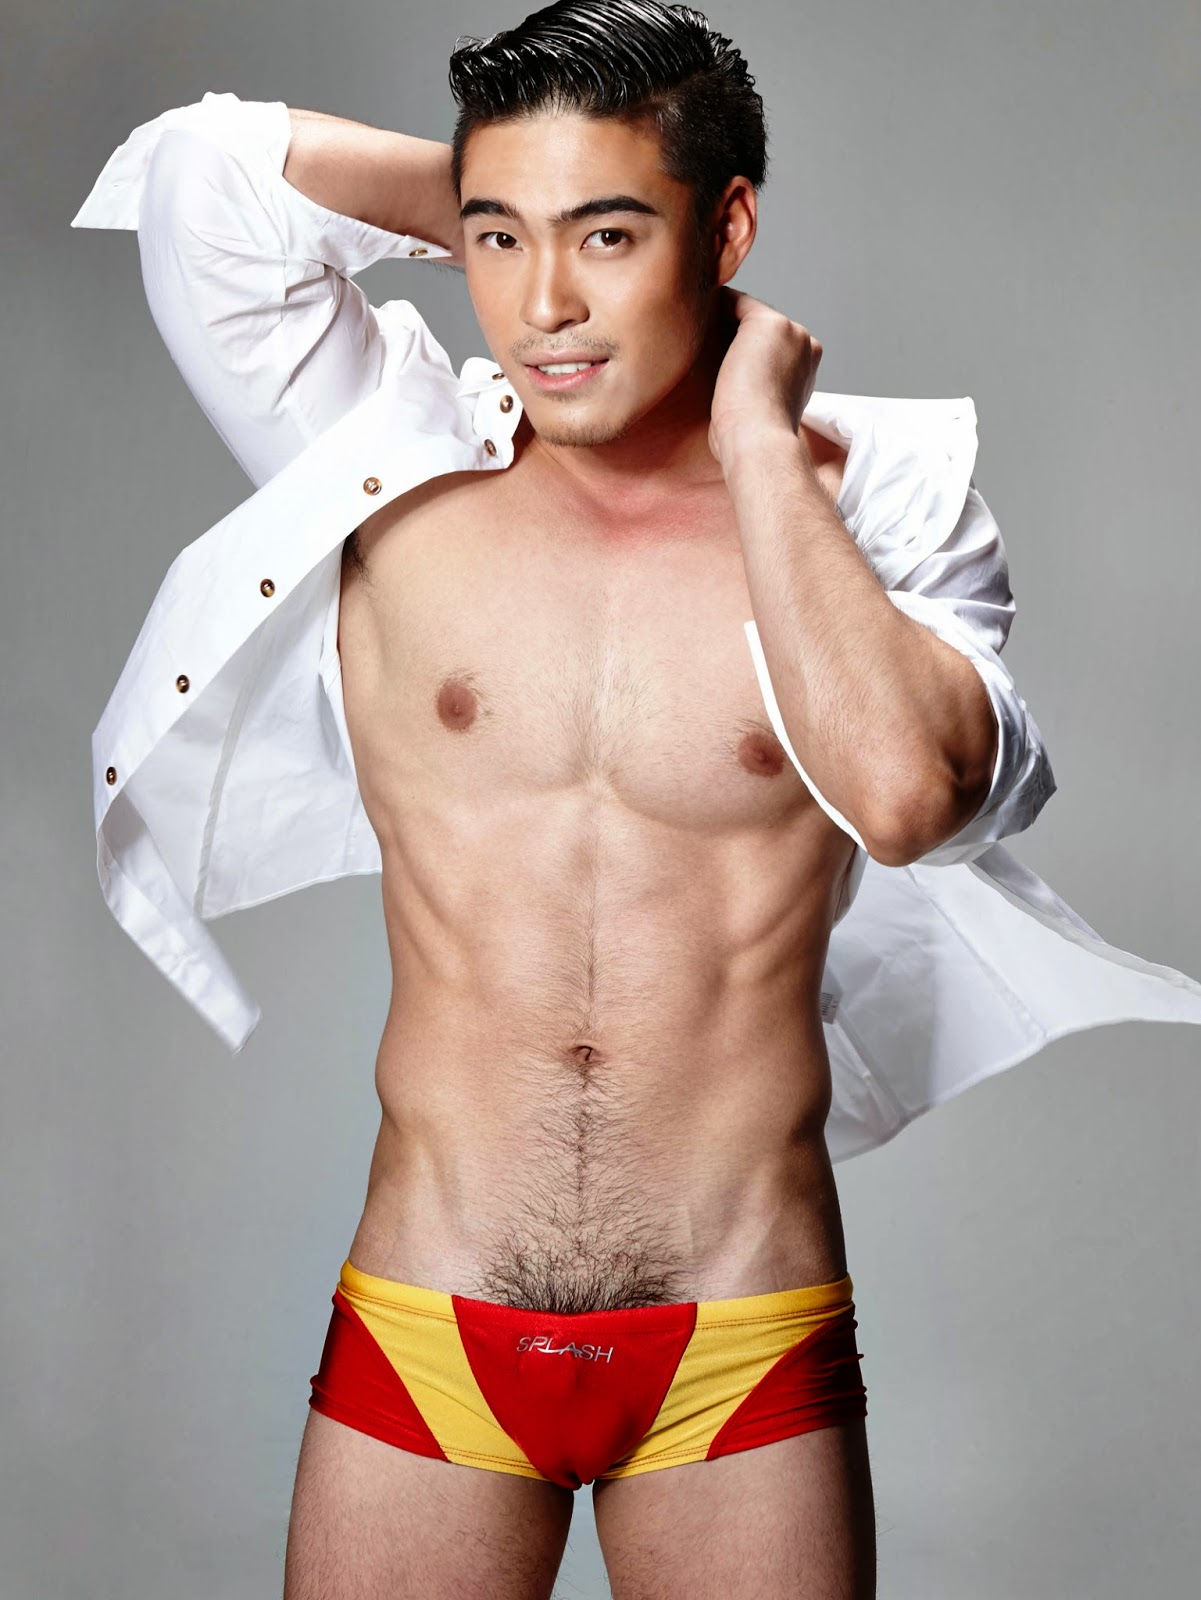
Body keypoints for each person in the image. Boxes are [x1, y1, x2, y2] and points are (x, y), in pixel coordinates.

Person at [70, 2, 1201, 1596]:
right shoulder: (383, 457)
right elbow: (204, 172)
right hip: (427, 1312)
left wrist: (757, 449)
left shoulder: (876, 513)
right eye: (497, 240)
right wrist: (525, 196)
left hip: (739, 1335)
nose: (542, 305)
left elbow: (908, 796)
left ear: (725, 226)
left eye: (607, 234)